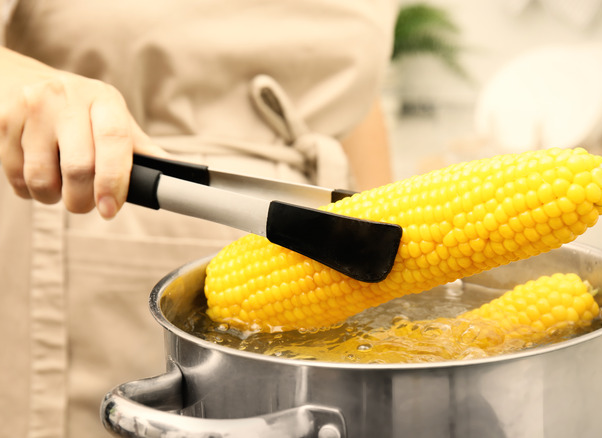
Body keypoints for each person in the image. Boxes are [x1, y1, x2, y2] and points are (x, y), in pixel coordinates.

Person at [0, 1, 397, 436]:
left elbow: (345, 97)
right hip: (100, 247)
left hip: (318, 272)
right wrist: (35, 84)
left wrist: (390, 270)